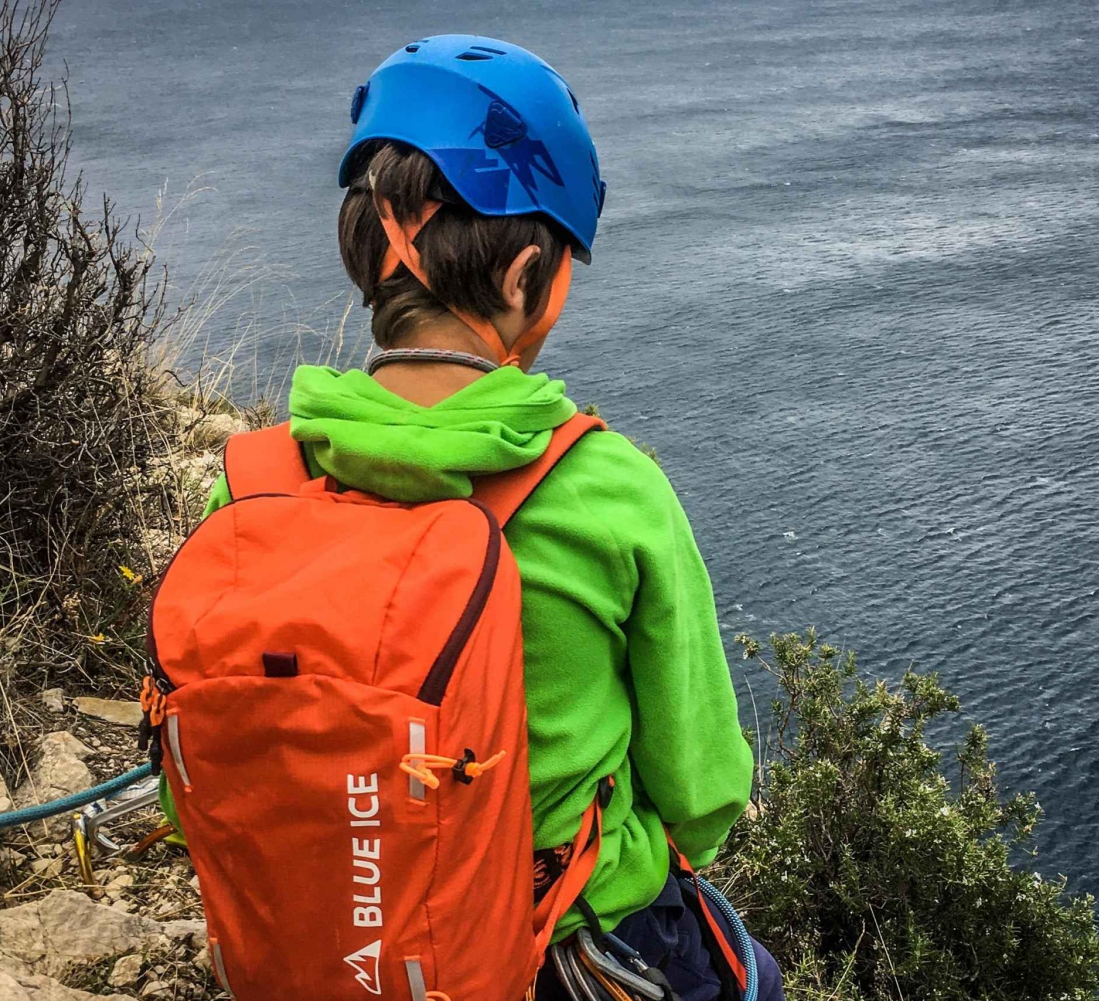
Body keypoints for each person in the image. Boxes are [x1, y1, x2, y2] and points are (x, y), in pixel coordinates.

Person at [165, 33, 782, 1000]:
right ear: (522, 275)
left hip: (321, 940)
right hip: (571, 948)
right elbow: (704, 793)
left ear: (365, 255)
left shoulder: (249, 489)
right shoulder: (609, 489)